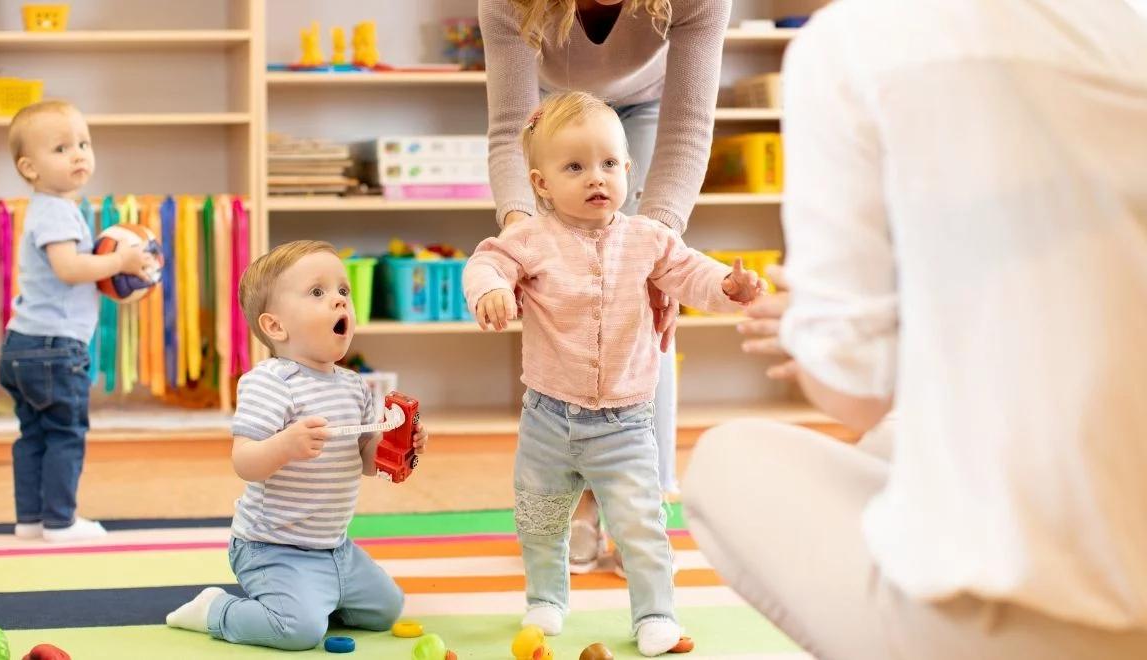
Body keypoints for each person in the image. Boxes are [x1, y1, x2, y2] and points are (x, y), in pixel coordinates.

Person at [684, 1, 1147, 658]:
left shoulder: (851, 46)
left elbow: (856, 390)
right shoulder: (1130, 29)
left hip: (1013, 620)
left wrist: (814, 328)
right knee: (886, 442)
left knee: (725, 459)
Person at [464, 91, 765, 656]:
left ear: (628, 170)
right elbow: (486, 262)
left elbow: (691, 273)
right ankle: (546, 598)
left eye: (608, 164)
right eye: (574, 167)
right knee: (538, 519)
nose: (595, 178)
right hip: (548, 417)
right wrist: (493, 290)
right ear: (541, 184)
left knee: (641, 525)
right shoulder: (529, 239)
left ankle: (656, 613)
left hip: (626, 423)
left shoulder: (648, 239)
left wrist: (728, 287)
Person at [480, 0, 730, 573]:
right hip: (549, 113)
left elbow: (688, 125)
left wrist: (654, 254)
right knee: (567, 293)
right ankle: (576, 501)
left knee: (640, 302)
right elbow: (508, 127)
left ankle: (638, 505)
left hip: (646, 108)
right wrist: (523, 233)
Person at [166, 240, 429, 651]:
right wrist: (285, 446)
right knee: (298, 632)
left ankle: (315, 596)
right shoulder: (270, 383)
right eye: (318, 292)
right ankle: (215, 610)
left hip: (334, 547)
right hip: (271, 548)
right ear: (275, 327)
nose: (340, 302)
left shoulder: (354, 385)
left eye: (343, 291)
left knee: (387, 610)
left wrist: (397, 444)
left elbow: (363, 459)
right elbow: (245, 461)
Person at [0, 100, 154, 543]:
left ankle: (30, 519)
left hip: (22, 345)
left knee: (33, 435)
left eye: (84, 143)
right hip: (53, 348)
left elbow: (72, 275)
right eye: (62, 148)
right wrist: (120, 260)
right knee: (66, 433)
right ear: (29, 168)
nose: (79, 154)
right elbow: (69, 268)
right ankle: (61, 522)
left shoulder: (49, 208)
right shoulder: (56, 211)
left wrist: (111, 275)